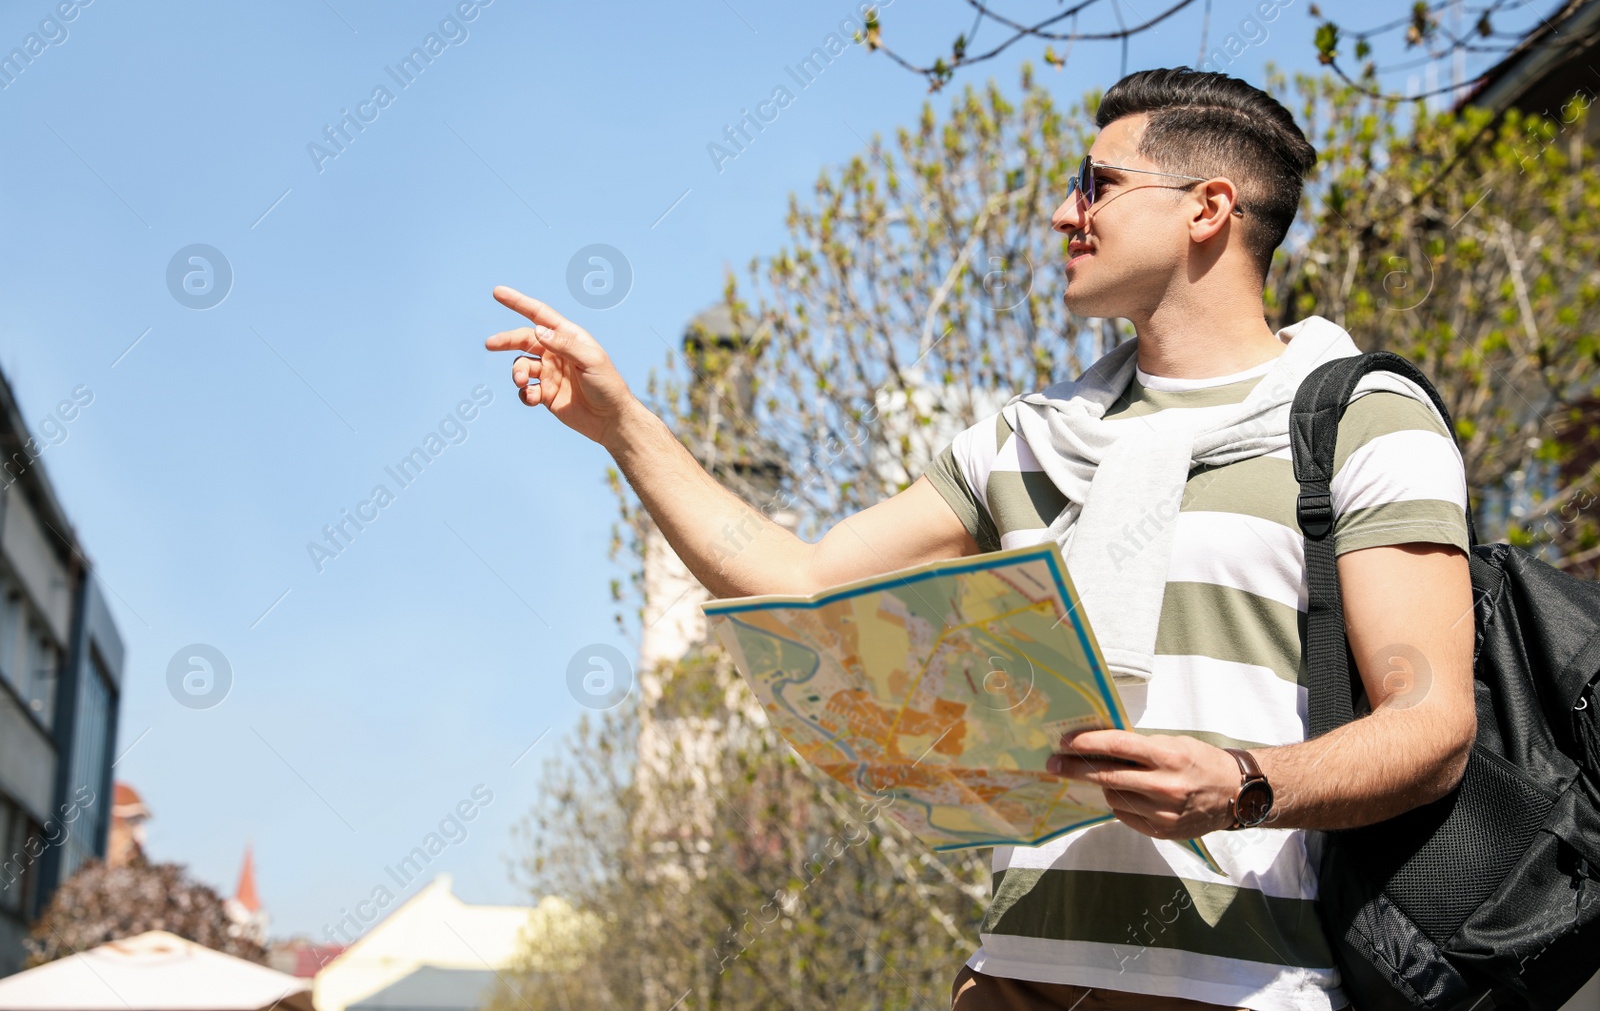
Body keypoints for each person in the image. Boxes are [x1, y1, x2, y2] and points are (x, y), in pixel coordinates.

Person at [485, 66, 1477, 1011]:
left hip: (1246, 984)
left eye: (1097, 183)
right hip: (1008, 978)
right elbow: (798, 578)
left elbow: (1429, 725)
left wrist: (1243, 784)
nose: (1062, 213)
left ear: (1205, 208)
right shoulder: (1023, 438)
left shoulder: (1358, 418)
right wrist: (622, 420)